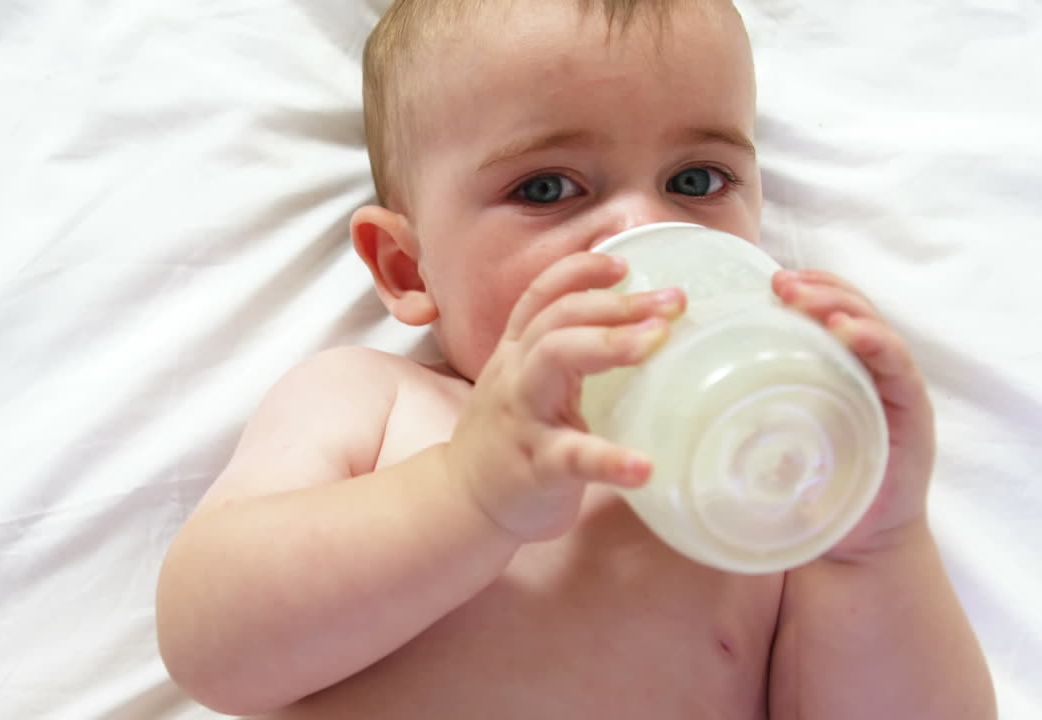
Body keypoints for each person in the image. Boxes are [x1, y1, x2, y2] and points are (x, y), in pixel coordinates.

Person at [156, 0, 996, 716]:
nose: (644, 230)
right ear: (408, 270)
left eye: (697, 181)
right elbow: (213, 649)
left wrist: (873, 546)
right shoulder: (375, 402)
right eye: (547, 188)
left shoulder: (761, 485)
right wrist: (469, 493)